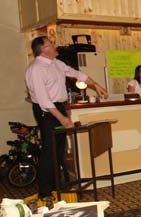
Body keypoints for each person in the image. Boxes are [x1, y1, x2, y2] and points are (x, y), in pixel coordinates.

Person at [24, 36, 108, 198]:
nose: (55, 46)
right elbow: (43, 100)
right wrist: (62, 119)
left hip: (59, 108)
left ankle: (57, 187)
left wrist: (96, 85)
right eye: (51, 44)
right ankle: (45, 192)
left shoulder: (57, 63)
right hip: (46, 112)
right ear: (43, 50)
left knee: (59, 150)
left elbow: (77, 74)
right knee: (49, 150)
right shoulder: (36, 69)